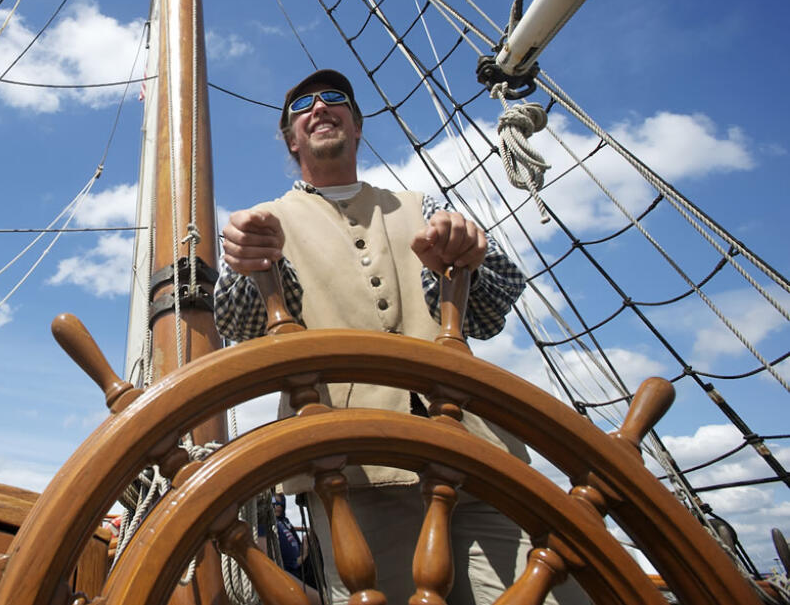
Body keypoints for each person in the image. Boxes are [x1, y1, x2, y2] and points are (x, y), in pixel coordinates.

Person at [214, 69, 586, 604]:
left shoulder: (423, 208)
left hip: (478, 460)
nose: (320, 107)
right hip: (352, 469)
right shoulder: (263, 224)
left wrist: (468, 258)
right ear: (291, 138)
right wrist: (249, 264)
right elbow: (244, 330)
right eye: (303, 106)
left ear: (357, 127)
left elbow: (486, 316)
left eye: (336, 99)